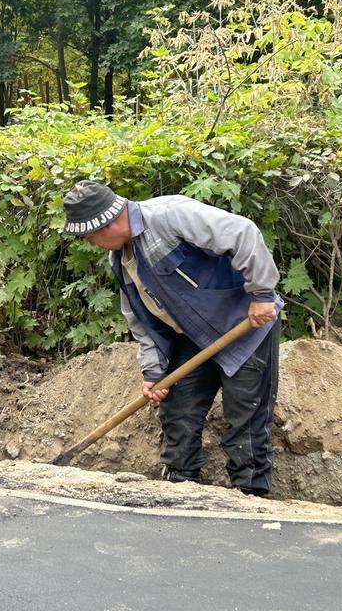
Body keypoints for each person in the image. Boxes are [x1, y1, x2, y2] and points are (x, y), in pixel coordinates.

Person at [62, 180, 282, 495]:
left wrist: (261, 293)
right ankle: (179, 492)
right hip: (194, 336)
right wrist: (153, 373)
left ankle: (249, 499)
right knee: (179, 412)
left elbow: (242, 232)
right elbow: (142, 320)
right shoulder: (122, 261)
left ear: (106, 223)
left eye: (89, 235)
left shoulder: (169, 215)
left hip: (245, 325)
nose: (90, 242)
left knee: (244, 421)